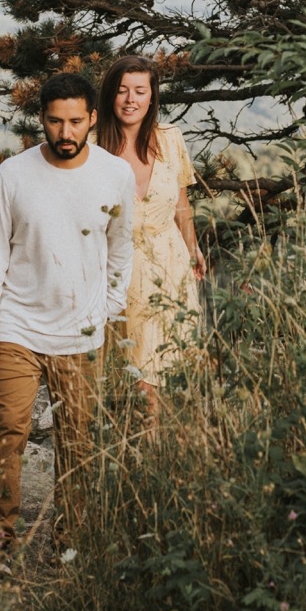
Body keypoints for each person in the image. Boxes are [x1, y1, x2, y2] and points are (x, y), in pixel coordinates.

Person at [0, 72, 134, 550]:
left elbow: (121, 249)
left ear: (93, 120)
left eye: (76, 122)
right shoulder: (13, 174)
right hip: (17, 326)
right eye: (56, 121)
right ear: (41, 119)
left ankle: (72, 542)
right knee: (7, 437)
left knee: (78, 443)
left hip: (82, 334)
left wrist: (106, 308)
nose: (66, 133)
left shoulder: (115, 174)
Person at [96, 55, 206, 420]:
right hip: (116, 266)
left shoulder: (170, 140)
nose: (131, 99)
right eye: (123, 91)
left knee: (166, 363)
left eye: (140, 91)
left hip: (169, 262)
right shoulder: (94, 146)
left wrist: (194, 249)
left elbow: (182, 205)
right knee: (130, 365)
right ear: (110, 96)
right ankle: (139, 444)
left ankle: (159, 445)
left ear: (152, 96)